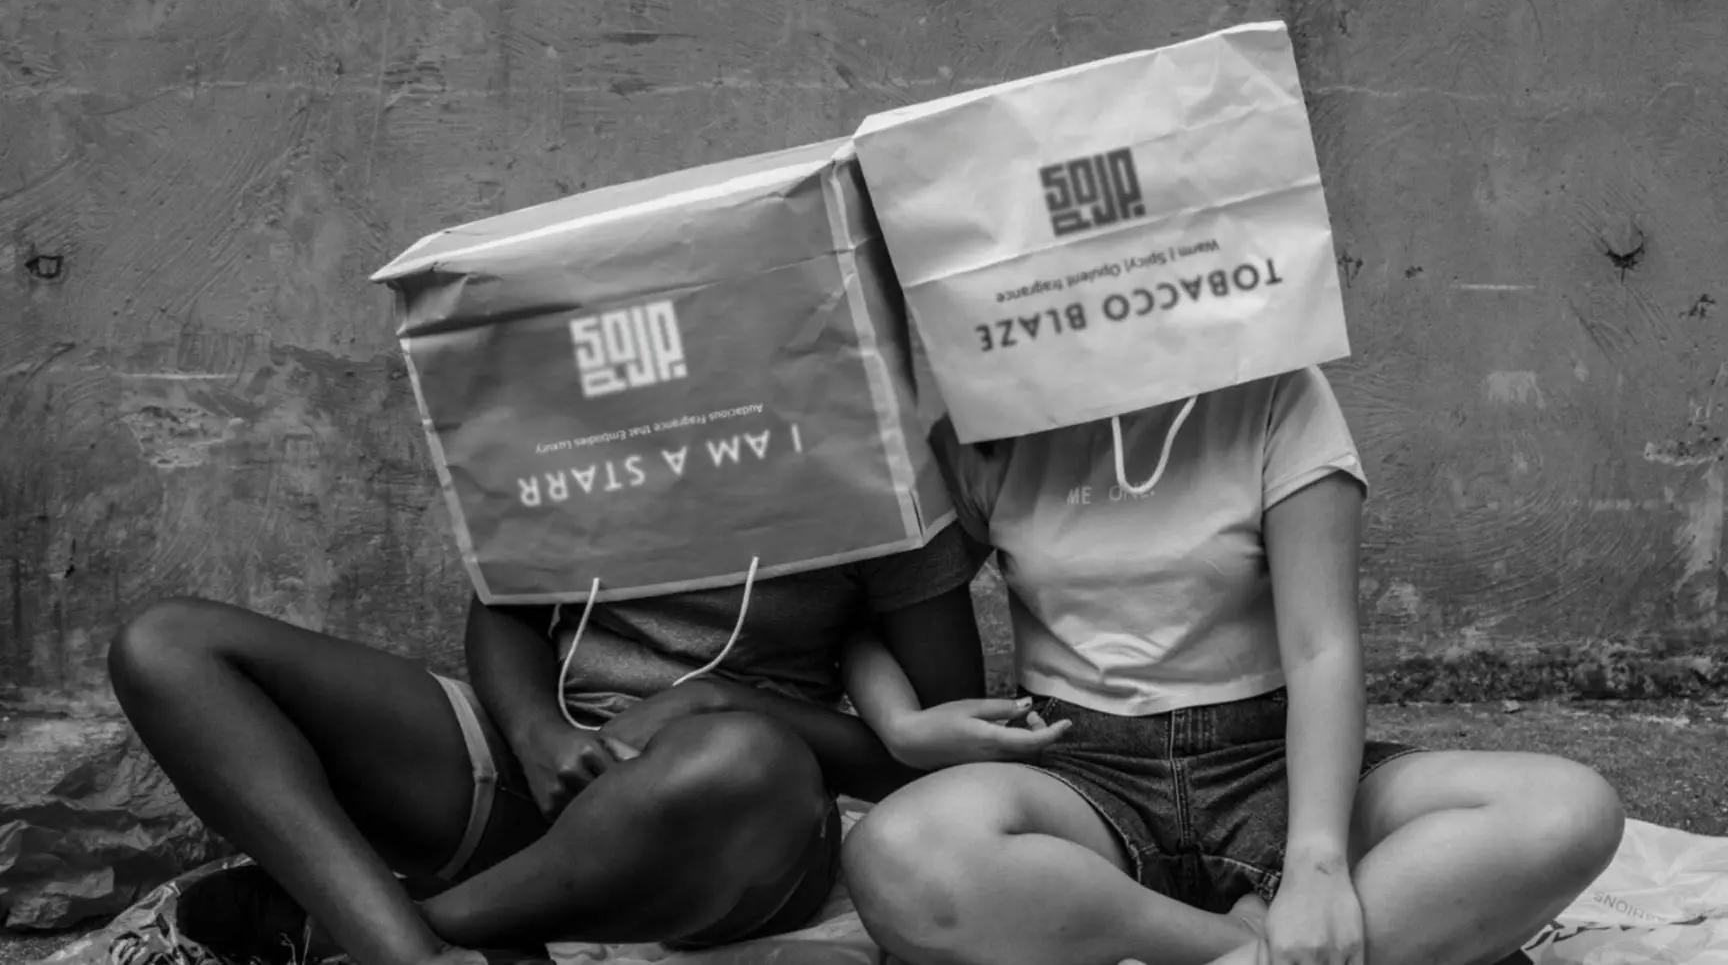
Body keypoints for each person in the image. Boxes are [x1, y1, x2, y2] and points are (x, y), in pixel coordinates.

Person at [839, 367, 1627, 965]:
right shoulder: (984, 417)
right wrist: (901, 725)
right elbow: (866, 600)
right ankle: (1241, 947)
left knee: (1566, 811)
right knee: (897, 854)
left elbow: (1322, 645)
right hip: (1081, 776)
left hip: (1275, 770)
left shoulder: (1278, 388)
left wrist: (1318, 865)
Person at [105, 522, 1049, 965]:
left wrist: (713, 699)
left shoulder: (877, 489)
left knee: (739, 756)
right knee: (169, 644)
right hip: (541, 770)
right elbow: (505, 609)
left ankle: (364, 931)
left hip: (723, 830)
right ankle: (407, 956)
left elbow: (927, 756)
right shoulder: (592, 428)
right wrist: (536, 732)